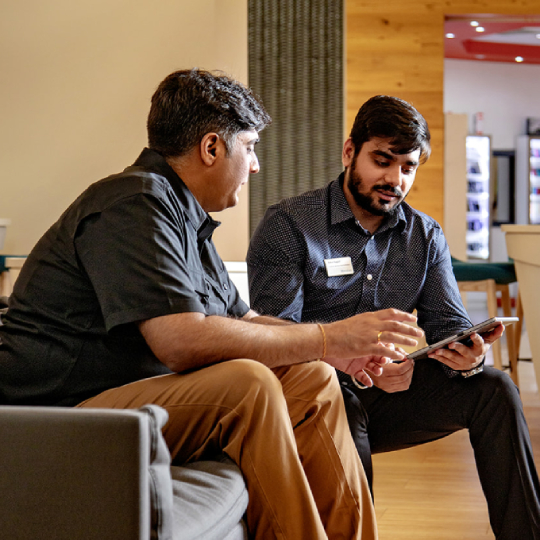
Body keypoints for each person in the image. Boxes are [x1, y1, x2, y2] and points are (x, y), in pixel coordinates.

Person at [0, 70, 428, 539]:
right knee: (245, 384)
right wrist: (329, 335)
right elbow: (180, 341)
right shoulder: (134, 201)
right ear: (211, 148)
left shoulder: (183, 216)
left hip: (116, 403)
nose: (256, 165)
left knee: (312, 376)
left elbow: (243, 320)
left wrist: (329, 351)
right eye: (250, 147)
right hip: (54, 416)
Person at [247, 95, 540, 539]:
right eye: (382, 161)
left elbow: (449, 327)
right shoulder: (289, 225)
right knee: (341, 400)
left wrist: (468, 354)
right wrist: (355, 364)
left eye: (408, 167)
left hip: (389, 388)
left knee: (494, 388)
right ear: (350, 153)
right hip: (314, 397)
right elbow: (277, 344)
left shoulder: (424, 235)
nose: (394, 179)